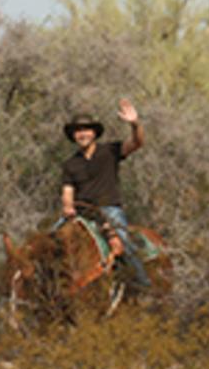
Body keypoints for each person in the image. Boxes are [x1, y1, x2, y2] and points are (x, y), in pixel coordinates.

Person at [60, 98, 152, 288]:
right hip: (82, 212)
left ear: (94, 133)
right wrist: (68, 207)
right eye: (78, 130)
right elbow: (67, 191)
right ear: (73, 135)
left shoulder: (110, 151)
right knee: (50, 241)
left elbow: (137, 142)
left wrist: (135, 124)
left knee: (124, 243)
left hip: (109, 209)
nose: (82, 134)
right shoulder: (70, 164)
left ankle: (143, 285)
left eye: (86, 129)